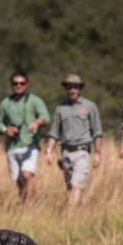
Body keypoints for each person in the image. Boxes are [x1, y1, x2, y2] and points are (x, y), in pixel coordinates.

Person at [45, 74, 103, 208]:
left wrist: (98, 153)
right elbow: (54, 132)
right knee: (72, 188)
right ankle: (80, 217)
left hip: (82, 152)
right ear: (66, 88)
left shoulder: (89, 106)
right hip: (65, 153)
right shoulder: (60, 108)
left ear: (80, 88)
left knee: (77, 185)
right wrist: (48, 151)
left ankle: (69, 217)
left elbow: (97, 131)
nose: (72, 90)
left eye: (75, 87)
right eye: (70, 87)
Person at [0, 71, 50, 204]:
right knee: (18, 180)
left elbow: (46, 117)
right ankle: (27, 201)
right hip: (12, 147)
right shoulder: (5, 103)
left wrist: (36, 122)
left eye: (22, 83)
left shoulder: (35, 100)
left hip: (30, 146)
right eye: (15, 83)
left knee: (26, 175)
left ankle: (29, 207)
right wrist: (5, 129)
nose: (18, 85)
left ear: (27, 85)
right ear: (11, 85)